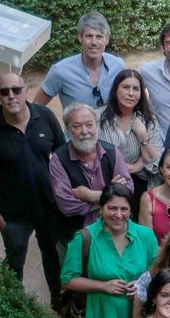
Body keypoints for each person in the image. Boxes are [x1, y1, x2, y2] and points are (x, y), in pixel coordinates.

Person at [0, 71, 65, 298]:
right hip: (13, 217)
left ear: (26, 92)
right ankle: (15, 307)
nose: (11, 96)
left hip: (49, 208)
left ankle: (59, 304)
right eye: (5, 92)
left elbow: (63, 155)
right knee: (14, 267)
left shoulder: (45, 117)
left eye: (16, 90)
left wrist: (65, 199)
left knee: (53, 260)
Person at [61, 181, 157, 318]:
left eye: (124, 209)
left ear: (131, 211)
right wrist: (103, 286)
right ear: (101, 209)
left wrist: (142, 284)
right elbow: (67, 279)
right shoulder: (84, 238)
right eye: (112, 208)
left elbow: (157, 271)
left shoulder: (146, 236)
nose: (118, 215)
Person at [49, 103, 134, 242]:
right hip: (77, 237)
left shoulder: (112, 152)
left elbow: (128, 190)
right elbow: (66, 205)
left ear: (97, 126)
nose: (84, 131)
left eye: (89, 125)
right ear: (68, 130)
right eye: (77, 126)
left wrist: (90, 195)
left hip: (114, 234)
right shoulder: (59, 159)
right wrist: (110, 198)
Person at [34, 11, 125, 111]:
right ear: (80, 38)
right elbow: (36, 107)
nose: (94, 42)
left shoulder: (118, 66)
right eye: (89, 36)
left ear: (107, 40)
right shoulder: (60, 71)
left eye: (99, 37)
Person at [97, 68, 165, 196]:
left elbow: (157, 163)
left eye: (136, 89)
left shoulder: (148, 120)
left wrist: (142, 134)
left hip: (140, 184)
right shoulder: (98, 117)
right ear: (115, 90)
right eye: (126, 87)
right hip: (105, 182)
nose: (131, 93)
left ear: (141, 94)